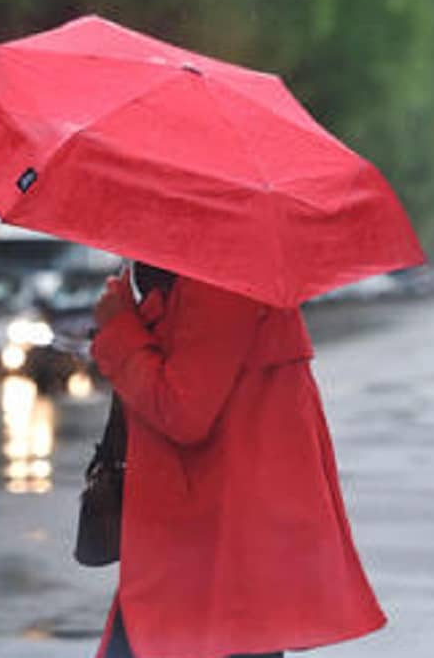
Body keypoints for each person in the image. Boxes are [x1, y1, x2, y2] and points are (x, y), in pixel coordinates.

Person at [89, 261, 386, 658]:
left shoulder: (221, 279)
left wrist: (119, 328)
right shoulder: (201, 271)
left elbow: (183, 410)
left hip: (218, 546)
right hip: (210, 543)